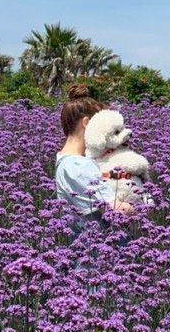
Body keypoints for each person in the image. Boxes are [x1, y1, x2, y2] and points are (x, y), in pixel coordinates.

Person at [55, 86, 135, 228]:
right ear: (86, 123)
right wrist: (145, 206)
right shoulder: (77, 165)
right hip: (95, 245)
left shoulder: (67, 161)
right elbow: (114, 209)